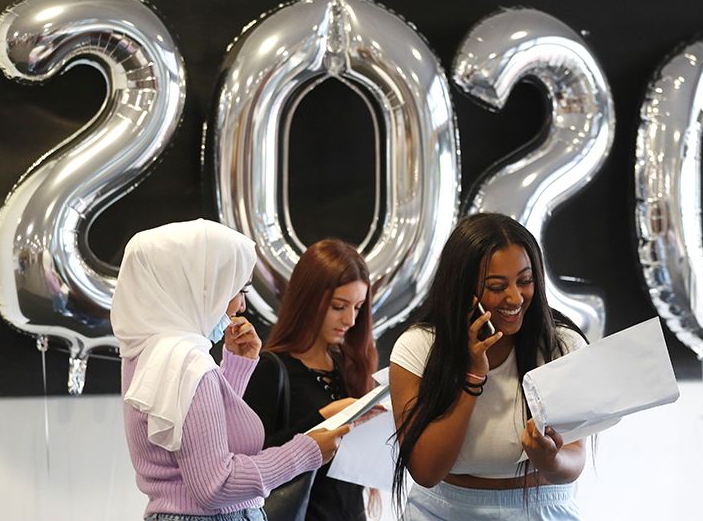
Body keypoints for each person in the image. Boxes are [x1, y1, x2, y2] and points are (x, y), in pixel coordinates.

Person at [112, 219, 350, 521]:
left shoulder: (150, 350)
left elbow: (198, 438)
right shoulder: (185, 361)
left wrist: (235, 369)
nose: (241, 306)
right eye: (237, 288)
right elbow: (217, 486)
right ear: (200, 285)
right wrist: (307, 451)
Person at [389, 213, 588, 520]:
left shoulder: (561, 345)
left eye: (525, 281)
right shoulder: (418, 347)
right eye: (496, 286)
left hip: (541, 507)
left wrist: (549, 460)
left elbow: (574, 459)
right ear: (461, 289)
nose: (515, 297)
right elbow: (426, 471)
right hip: (443, 509)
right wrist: (471, 376)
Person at [243, 239, 380, 521]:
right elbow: (251, 461)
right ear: (308, 300)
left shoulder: (350, 367)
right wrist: (323, 418)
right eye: (339, 306)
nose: (351, 320)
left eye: (357, 307)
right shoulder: (271, 369)